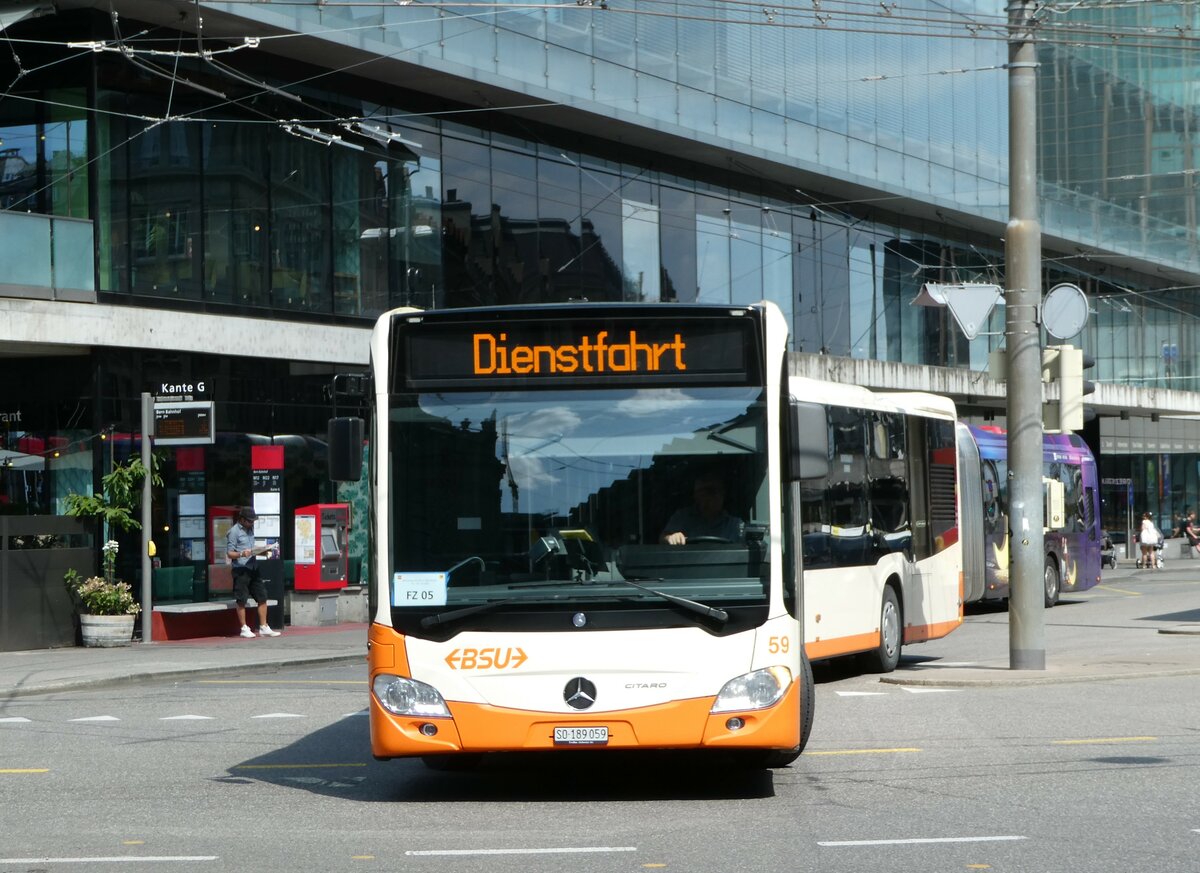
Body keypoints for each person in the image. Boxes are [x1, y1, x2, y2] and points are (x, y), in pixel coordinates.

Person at [226, 507, 280, 638]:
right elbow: (229, 553)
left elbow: (252, 548)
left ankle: (263, 626)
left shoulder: (250, 530)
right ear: (242, 520)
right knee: (241, 599)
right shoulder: (233, 532)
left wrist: (263, 551)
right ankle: (244, 628)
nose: (252, 523)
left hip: (253, 567)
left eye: (253, 521)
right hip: (241, 569)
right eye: (250, 521)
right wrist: (241, 554)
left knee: (262, 596)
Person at [660, 471, 744, 545]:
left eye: (713, 491)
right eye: (703, 492)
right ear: (695, 495)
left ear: (723, 494)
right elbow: (663, 539)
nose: (709, 497)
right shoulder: (682, 517)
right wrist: (671, 538)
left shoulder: (735, 525)